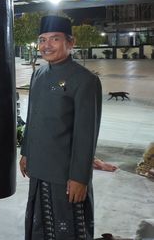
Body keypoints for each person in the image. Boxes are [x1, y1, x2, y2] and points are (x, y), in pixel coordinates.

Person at [20, 16, 102, 240]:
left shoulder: (85, 80)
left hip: (64, 174)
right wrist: (26, 152)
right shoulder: (38, 73)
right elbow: (32, 116)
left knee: (68, 230)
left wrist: (80, 177)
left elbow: (87, 133)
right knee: (39, 227)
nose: (47, 45)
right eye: (42, 39)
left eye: (55, 39)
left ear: (70, 43)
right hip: (39, 168)